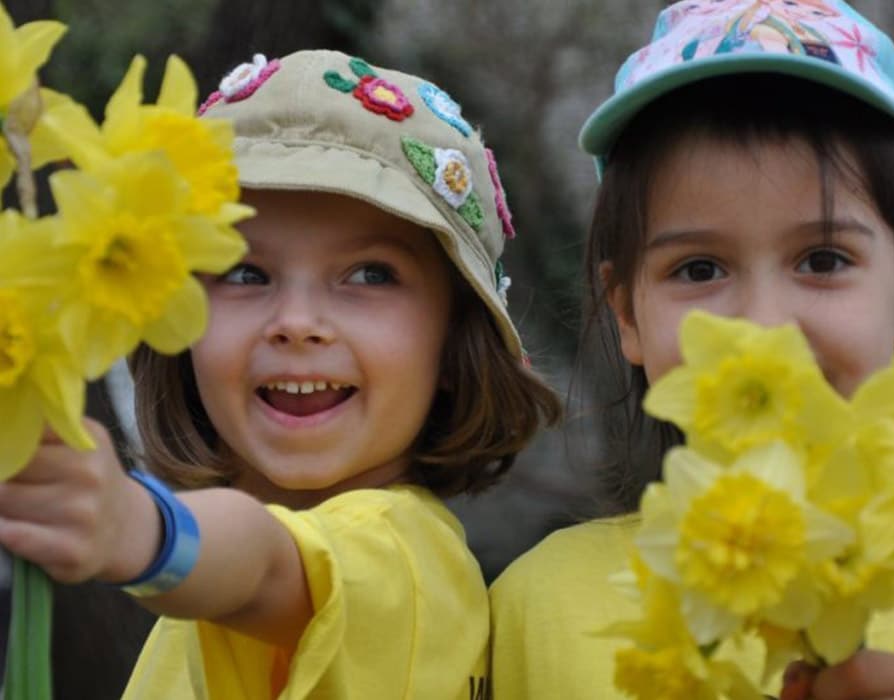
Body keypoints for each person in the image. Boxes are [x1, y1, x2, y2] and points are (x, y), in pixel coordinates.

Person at [0, 49, 561, 699]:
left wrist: (140, 527)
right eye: (244, 273)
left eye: (370, 274)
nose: (297, 322)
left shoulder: (407, 556)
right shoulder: (203, 609)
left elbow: (268, 565)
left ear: (455, 343)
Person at [490, 1, 894, 698]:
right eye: (699, 270)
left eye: (821, 259)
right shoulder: (531, 609)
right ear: (628, 314)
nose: (764, 329)